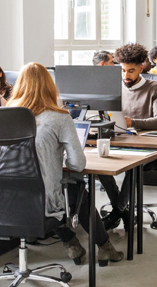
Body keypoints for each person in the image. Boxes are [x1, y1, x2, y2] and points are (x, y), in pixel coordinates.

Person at [7, 63, 123, 265]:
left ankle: (73, 245)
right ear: (50, 87)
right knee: (78, 192)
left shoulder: (4, 117)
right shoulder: (59, 118)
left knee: (51, 190)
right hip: (43, 203)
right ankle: (104, 248)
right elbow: (78, 164)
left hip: (6, 201)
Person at [100, 43, 157, 231]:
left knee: (134, 167)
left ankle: (116, 212)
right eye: (123, 71)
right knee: (97, 165)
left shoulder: (155, 88)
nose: (126, 76)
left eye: (131, 71)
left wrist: (133, 123)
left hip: (145, 145)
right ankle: (123, 211)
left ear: (141, 68)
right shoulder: (114, 87)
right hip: (118, 139)